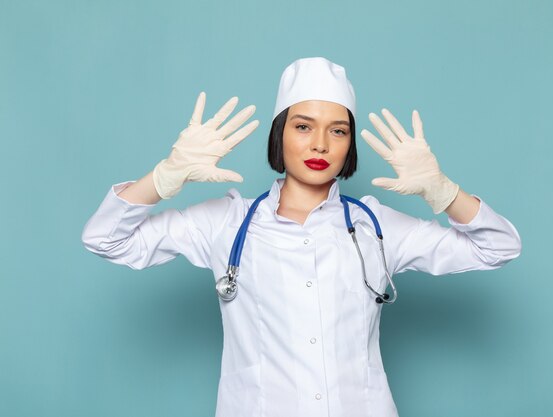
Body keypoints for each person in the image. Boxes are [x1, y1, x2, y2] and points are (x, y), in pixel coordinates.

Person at [82, 57, 522, 417]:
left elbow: (498, 247)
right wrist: (163, 178)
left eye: (338, 130)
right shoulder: (228, 223)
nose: (320, 145)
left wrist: (442, 191)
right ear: (281, 134)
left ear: (349, 145)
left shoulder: (375, 224)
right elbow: (106, 239)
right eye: (303, 126)